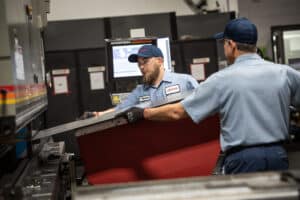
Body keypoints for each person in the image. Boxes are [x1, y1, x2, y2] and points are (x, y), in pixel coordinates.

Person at [124, 18, 300, 174]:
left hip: (243, 160)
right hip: (279, 155)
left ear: (231, 44)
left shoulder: (221, 79)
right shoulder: (284, 73)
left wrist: (143, 113)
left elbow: (178, 112)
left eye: (223, 43)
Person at [93, 44, 199, 116]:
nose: (141, 67)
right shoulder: (139, 91)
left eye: (145, 62)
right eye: (139, 64)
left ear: (159, 61)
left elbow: (203, 104)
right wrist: (97, 115)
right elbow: (120, 109)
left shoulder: (185, 81)